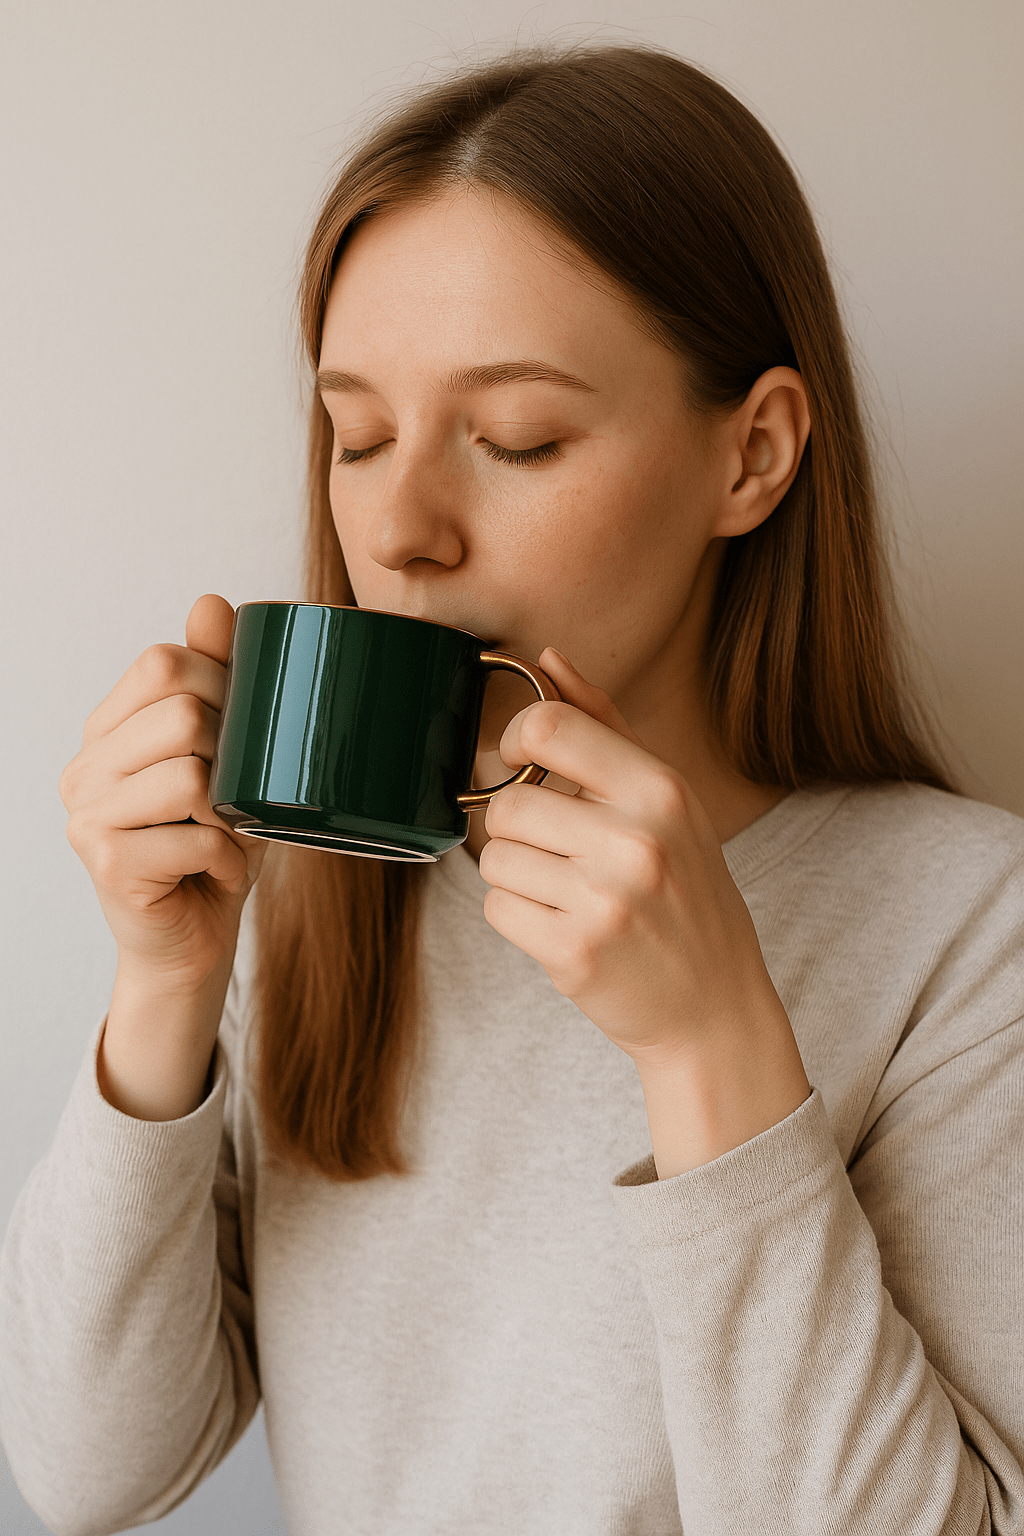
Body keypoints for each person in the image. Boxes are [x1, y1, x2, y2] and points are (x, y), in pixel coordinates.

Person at [1, 39, 1021, 1536]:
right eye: (356, 435)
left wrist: (713, 1044)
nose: (399, 527)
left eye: (516, 438)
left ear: (753, 454)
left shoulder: (965, 930)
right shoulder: (305, 906)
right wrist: (164, 979)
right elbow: (90, 1478)